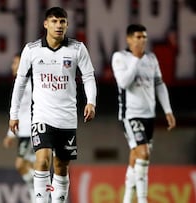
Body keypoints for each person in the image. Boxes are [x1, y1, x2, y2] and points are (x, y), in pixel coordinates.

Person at [9, 7, 97, 203]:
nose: (59, 25)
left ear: (67, 25)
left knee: (61, 166)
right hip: (42, 115)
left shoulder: (77, 49)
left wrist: (91, 102)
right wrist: (13, 113)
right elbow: (20, 82)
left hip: (67, 117)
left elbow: (89, 77)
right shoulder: (32, 50)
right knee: (41, 161)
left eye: (62, 22)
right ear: (46, 24)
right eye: (55, 21)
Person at [111, 24, 176, 203]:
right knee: (144, 153)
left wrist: (168, 110)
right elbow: (123, 82)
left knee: (136, 157)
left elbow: (159, 84)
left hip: (149, 115)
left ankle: (126, 199)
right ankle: (142, 199)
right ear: (129, 39)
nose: (142, 40)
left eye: (144, 37)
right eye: (138, 37)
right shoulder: (120, 58)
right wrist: (136, 59)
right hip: (130, 114)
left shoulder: (151, 58)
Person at [3, 52, 35, 203]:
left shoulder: (31, 84)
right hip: (24, 131)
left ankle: (42, 193)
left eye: (15, 63)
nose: (12, 66)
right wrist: (11, 134)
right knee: (31, 166)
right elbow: (19, 112)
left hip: (31, 131)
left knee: (21, 164)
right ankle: (41, 195)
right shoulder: (22, 84)